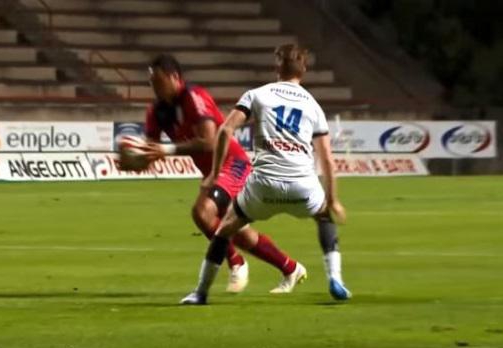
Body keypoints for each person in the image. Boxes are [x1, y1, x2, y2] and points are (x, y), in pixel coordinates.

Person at [179, 44, 351, 305]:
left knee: (224, 231)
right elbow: (326, 158)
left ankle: (200, 293)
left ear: (276, 66)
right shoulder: (314, 106)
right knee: (325, 217)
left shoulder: (257, 94)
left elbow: (225, 130)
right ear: (303, 70)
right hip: (302, 186)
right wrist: (334, 199)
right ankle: (335, 279)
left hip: (263, 186)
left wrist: (215, 173)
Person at [141, 54, 304, 294]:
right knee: (239, 233)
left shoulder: (193, 97)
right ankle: (290, 268)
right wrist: (133, 159)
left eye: (158, 81)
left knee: (202, 212)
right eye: (151, 82)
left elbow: (209, 142)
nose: (154, 87)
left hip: (234, 163)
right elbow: (149, 150)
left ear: (174, 77)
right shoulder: (157, 112)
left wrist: (166, 149)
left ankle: (236, 263)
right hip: (213, 172)